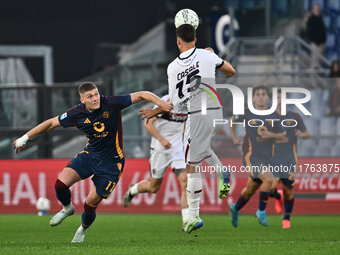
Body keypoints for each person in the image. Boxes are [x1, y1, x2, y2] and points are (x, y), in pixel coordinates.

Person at [13, 82, 172, 243]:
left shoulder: (111, 103)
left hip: (112, 163)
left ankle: (82, 230)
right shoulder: (77, 113)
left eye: (96, 94)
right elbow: (51, 123)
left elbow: (142, 94)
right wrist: (25, 138)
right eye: (90, 96)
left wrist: (162, 104)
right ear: (83, 100)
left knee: (90, 203)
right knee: (60, 185)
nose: (95, 98)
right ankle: (67, 209)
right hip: (90, 155)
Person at [139, 24, 235, 233]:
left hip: (196, 114)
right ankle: (222, 171)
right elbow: (231, 71)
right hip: (215, 110)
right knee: (199, 152)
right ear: (195, 38)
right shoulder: (207, 55)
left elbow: (173, 104)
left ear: (178, 41)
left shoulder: (173, 67)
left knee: (192, 166)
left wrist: (154, 112)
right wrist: (214, 58)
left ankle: (193, 216)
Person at [122, 94, 189, 229]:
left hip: (177, 150)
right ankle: (132, 190)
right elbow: (148, 123)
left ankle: (187, 221)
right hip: (160, 149)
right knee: (153, 188)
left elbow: (184, 125)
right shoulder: (164, 101)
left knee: (185, 182)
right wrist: (162, 139)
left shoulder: (189, 104)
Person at [229, 86, 286, 227]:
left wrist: (272, 135)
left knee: (251, 189)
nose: (260, 96)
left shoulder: (274, 116)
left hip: (268, 158)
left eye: (263, 94)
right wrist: (234, 137)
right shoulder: (248, 113)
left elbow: (283, 135)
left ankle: (235, 209)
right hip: (251, 156)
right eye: (258, 94)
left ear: (267, 97)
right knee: (269, 179)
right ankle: (261, 211)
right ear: (253, 98)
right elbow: (232, 120)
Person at [269, 90, 310, 229]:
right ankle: (277, 197)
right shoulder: (270, 117)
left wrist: (301, 133)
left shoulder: (295, 117)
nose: (280, 101)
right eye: (277, 98)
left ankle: (286, 218)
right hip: (273, 159)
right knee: (270, 187)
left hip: (289, 159)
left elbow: (307, 134)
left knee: (288, 191)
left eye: (282, 98)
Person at [306, 4, 326, 68]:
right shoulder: (311, 20)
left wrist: (323, 41)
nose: (317, 10)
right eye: (316, 9)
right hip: (315, 44)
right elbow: (309, 33)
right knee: (314, 63)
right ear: (313, 10)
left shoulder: (320, 18)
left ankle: (318, 77)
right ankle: (312, 77)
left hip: (322, 44)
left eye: (318, 9)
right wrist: (316, 42)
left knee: (320, 63)